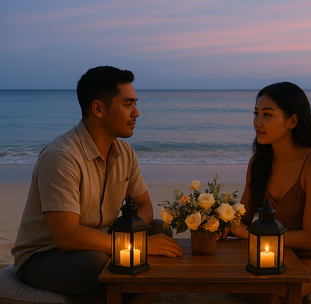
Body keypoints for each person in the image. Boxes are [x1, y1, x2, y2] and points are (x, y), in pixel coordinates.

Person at [11, 66, 183, 304]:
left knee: (159, 229)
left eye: (135, 103)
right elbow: (67, 236)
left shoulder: (124, 152)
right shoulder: (62, 156)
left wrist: (130, 241)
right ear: (98, 109)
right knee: (99, 264)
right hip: (46, 255)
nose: (137, 113)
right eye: (127, 104)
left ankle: (141, 292)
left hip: (103, 239)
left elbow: (144, 206)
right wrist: (137, 246)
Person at [227, 82, 311, 303]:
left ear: (292, 121)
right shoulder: (258, 164)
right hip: (278, 252)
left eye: (267, 115)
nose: (257, 122)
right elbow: (244, 218)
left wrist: (247, 235)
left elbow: (310, 239)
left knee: (271, 291)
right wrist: (214, 221)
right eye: (256, 113)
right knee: (228, 278)